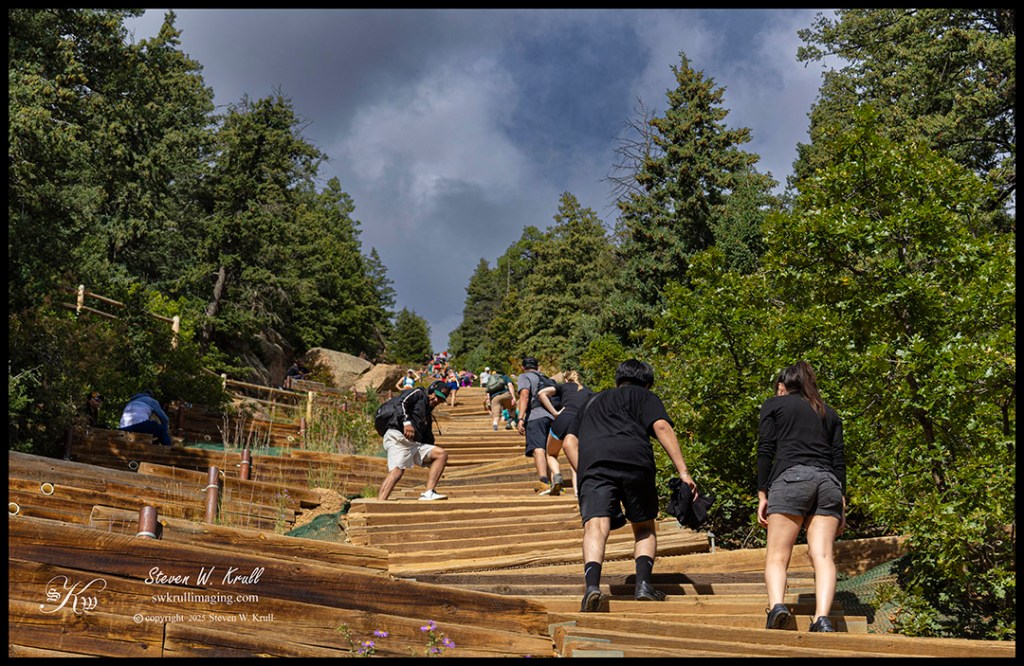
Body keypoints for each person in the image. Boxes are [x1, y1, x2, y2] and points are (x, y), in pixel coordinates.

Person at [563, 359, 697, 612]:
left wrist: (586, 474)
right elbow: (661, 426)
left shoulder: (592, 401)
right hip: (635, 462)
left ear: (617, 379)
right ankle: (644, 586)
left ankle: (592, 587)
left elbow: (569, 442)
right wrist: (684, 472)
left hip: (595, 466)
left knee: (595, 526)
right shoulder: (644, 396)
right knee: (644, 526)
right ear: (646, 382)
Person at [757, 360, 846, 633]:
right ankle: (822, 618)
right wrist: (842, 500)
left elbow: (765, 450)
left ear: (783, 386)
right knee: (823, 556)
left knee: (777, 556)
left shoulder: (774, 404)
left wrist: (762, 492)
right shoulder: (828, 413)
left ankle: (777, 607)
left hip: (791, 479)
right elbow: (839, 459)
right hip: (829, 484)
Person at [377, 380, 452, 501]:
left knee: (440, 454)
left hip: (414, 444)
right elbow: (401, 403)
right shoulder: (418, 393)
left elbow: (427, 436)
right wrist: (406, 422)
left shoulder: (427, 412)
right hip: (397, 437)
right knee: (397, 472)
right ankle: (379, 504)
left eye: (441, 399)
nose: (437, 400)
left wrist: (431, 460)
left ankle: (429, 492)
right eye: (436, 396)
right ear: (431, 390)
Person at [537, 370, 593, 496]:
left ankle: (557, 476)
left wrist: (554, 413)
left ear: (566, 380)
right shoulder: (588, 391)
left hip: (563, 419)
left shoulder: (563, 386)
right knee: (575, 457)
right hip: (580, 422)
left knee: (551, 454)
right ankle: (578, 492)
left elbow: (542, 393)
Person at [515, 356, 559, 494]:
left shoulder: (525, 376)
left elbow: (525, 395)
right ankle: (554, 481)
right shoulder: (546, 378)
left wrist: (520, 418)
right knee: (550, 451)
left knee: (538, 448)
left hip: (535, 416)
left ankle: (544, 483)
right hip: (552, 417)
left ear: (523, 367)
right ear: (537, 366)